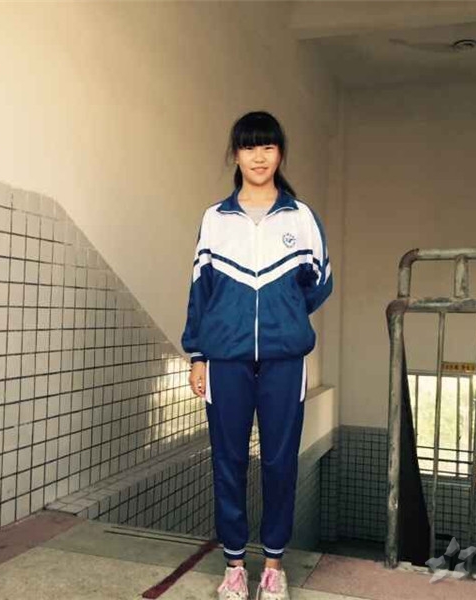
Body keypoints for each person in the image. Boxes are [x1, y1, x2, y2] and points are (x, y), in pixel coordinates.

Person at [181, 111, 333, 600]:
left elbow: (319, 283)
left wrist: (282, 318)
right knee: (228, 461)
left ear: (280, 153)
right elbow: (201, 291)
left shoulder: (301, 218)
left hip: (284, 361)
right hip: (225, 360)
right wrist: (198, 354)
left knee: (280, 462)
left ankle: (272, 566)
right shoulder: (215, 219)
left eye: (268, 146)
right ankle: (233, 567)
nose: (259, 156)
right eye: (249, 147)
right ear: (236, 155)